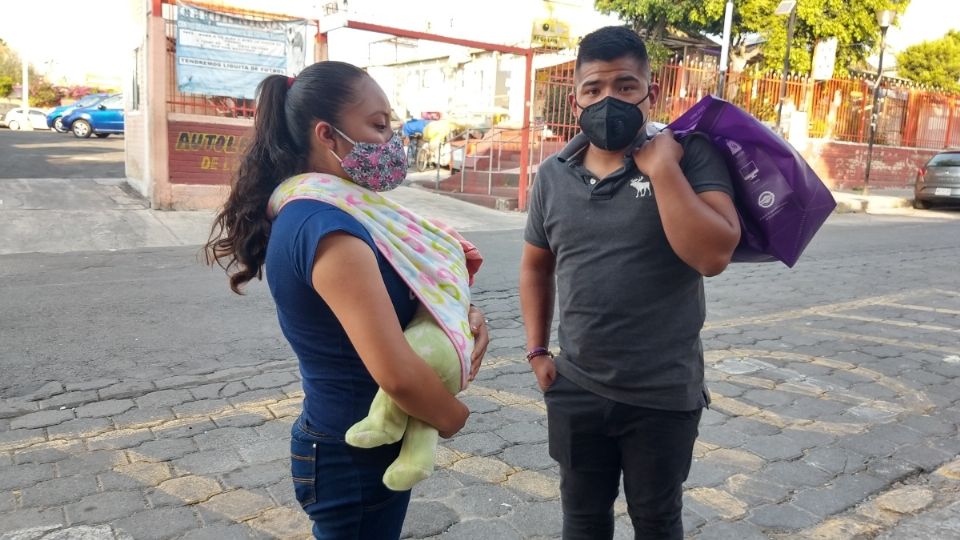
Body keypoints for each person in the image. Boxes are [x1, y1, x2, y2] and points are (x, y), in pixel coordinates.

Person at [205, 61, 489, 539]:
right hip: (352, 453)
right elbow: (395, 371)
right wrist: (452, 417)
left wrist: (458, 315)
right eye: (378, 126)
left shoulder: (342, 214)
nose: (392, 141)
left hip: (361, 445)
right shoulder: (329, 229)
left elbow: (405, 298)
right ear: (328, 135)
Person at [519, 26, 741, 539]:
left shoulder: (690, 154)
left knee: (658, 522)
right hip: (576, 386)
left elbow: (713, 255)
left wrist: (663, 170)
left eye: (625, 86)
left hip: (663, 395)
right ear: (575, 98)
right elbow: (535, 265)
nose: (608, 100)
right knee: (582, 521)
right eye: (593, 89)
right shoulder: (552, 174)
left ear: (651, 91)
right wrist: (536, 351)